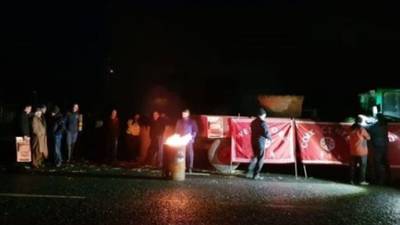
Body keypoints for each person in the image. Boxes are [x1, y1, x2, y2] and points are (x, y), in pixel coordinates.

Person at [246, 108, 272, 180]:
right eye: (265, 116)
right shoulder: (263, 123)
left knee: (255, 156)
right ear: (263, 115)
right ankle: (256, 175)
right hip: (260, 142)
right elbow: (266, 133)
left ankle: (248, 170)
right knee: (260, 158)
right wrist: (270, 139)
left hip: (253, 141)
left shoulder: (253, 122)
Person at [368, 113, 390, 185]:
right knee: (384, 162)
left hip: (378, 146)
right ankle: (387, 178)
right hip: (385, 146)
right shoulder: (385, 125)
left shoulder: (375, 126)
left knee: (377, 162)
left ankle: (381, 180)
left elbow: (370, 129)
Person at [348, 115, 371, 185]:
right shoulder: (361, 129)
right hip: (362, 152)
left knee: (353, 167)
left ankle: (351, 180)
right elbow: (368, 137)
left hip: (353, 151)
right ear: (361, 122)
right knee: (362, 167)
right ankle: (362, 181)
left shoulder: (351, 129)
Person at [175, 109, 198, 173]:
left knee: (189, 154)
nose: (183, 115)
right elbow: (176, 131)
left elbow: (195, 131)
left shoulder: (192, 122)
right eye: (182, 113)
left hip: (189, 140)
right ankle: (181, 166)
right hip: (181, 140)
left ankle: (190, 168)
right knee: (180, 154)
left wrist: (192, 137)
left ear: (188, 114)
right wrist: (177, 138)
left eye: (184, 113)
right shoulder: (179, 121)